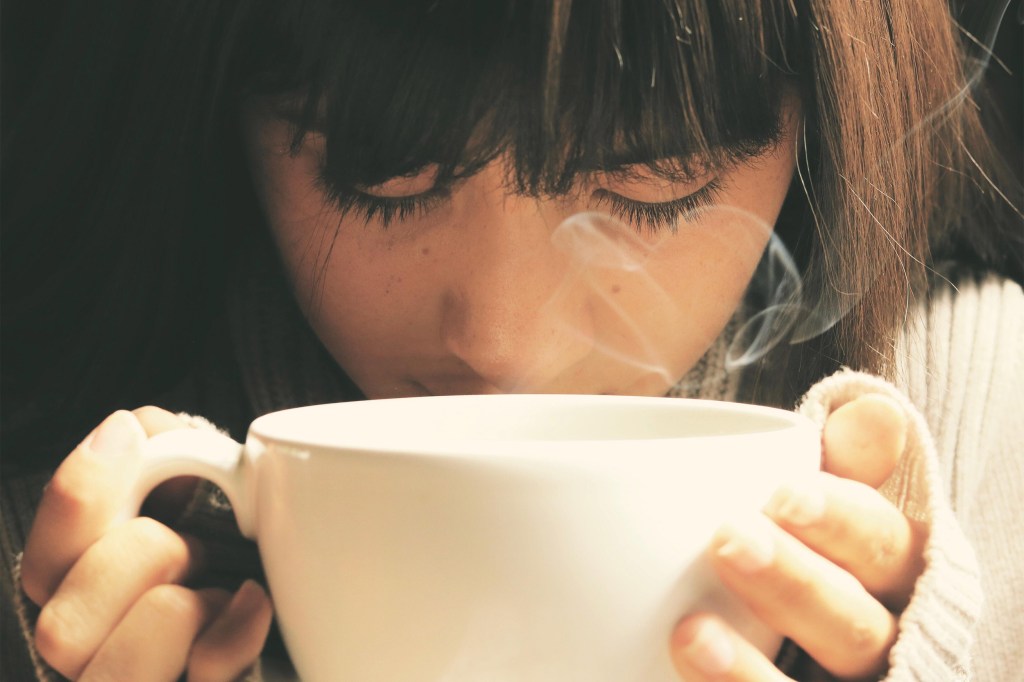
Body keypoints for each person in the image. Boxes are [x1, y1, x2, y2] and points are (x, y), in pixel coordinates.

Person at [2, 0, 1021, 680]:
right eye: (378, 176)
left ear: (822, 124)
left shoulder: (987, 422)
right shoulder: (85, 500)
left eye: (649, 182)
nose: (498, 342)